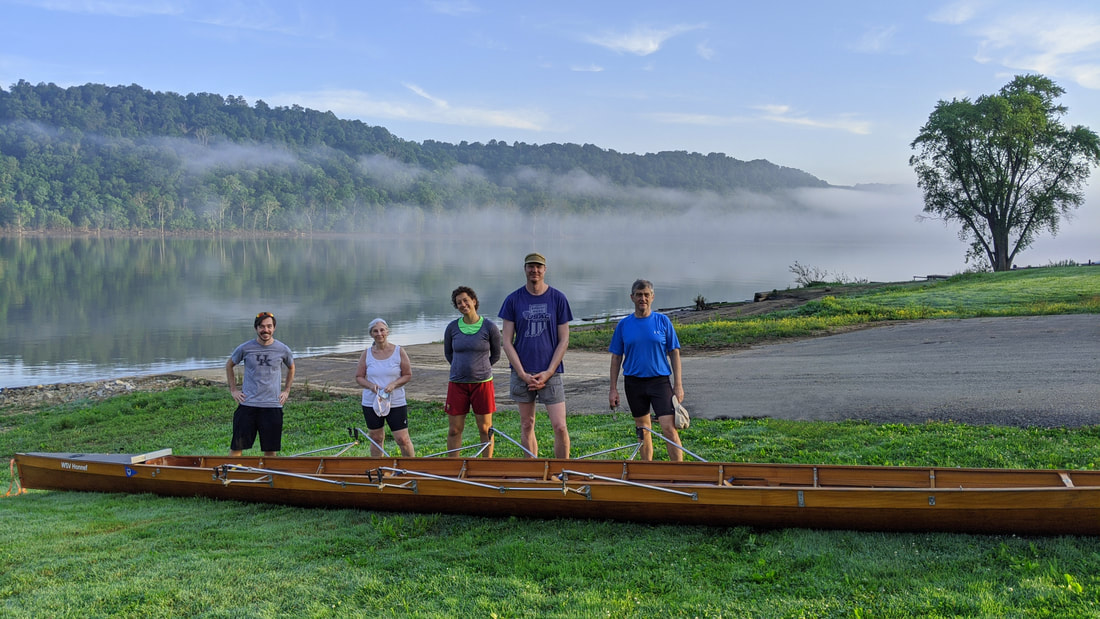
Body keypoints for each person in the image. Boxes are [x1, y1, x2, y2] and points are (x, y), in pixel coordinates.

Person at [498, 252, 573, 459]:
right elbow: (506, 341)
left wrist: (548, 372)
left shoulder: (558, 299)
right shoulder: (513, 300)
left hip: (551, 372)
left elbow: (564, 340)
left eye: (539, 267)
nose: (535, 270)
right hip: (522, 373)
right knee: (527, 424)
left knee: (559, 426)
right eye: (531, 266)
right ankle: (532, 470)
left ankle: (562, 471)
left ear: (544, 270)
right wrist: (522, 374)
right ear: (525, 269)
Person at [608, 280, 685, 461]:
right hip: (634, 383)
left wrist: (678, 385)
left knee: (669, 427)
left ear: (652, 297)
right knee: (643, 431)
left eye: (646, 294)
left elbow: (674, 352)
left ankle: (681, 472)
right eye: (639, 295)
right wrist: (613, 389)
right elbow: (616, 357)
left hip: (659, 381)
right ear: (632, 297)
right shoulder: (624, 325)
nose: (642, 298)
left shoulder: (663, 321)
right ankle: (646, 472)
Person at [443, 286, 502, 457]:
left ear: (474, 301)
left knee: (485, 428)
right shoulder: (452, 328)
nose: (463, 304)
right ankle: (454, 470)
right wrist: (460, 368)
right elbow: (448, 354)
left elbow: (496, 355)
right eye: (459, 302)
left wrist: (480, 368)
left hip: (482, 385)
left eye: (465, 300)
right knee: (454, 429)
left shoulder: (489, 327)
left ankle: (486, 468)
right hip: (457, 384)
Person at [226, 311, 295, 457]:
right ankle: (231, 475)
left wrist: (287, 390)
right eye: (262, 326)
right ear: (256, 328)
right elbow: (229, 365)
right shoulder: (245, 348)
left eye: (269, 326)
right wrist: (233, 390)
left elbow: (291, 367)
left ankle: (268, 477)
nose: (266, 330)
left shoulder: (283, 349)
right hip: (248, 405)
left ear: (274, 328)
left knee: (270, 450)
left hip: (272, 406)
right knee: (237, 447)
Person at [355, 318, 415, 457]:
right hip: (372, 402)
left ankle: (410, 470)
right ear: (371, 334)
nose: (379, 333)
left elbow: (407, 375)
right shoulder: (367, 354)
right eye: (375, 331)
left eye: (382, 330)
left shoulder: (399, 351)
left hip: (396, 401)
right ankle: (378, 471)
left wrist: (394, 384)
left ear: (387, 332)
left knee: (402, 439)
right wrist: (371, 386)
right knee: (376, 438)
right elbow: (359, 377)